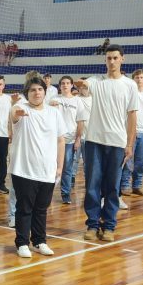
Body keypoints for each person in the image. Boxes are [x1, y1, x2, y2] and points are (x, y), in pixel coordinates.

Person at [75, 45, 138, 241]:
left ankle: (109, 226)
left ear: (122, 59)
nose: (112, 61)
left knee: (112, 186)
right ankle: (92, 225)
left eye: (115, 58)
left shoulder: (130, 85)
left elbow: (132, 116)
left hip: (118, 143)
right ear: (105, 60)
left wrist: (130, 144)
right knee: (93, 185)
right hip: (94, 141)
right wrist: (80, 84)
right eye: (108, 58)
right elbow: (84, 85)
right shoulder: (96, 81)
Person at [10, 79, 65, 257]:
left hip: (47, 170)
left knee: (41, 209)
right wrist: (15, 112)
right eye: (32, 90)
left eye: (40, 89)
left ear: (45, 91)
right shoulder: (22, 108)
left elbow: (60, 140)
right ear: (27, 93)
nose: (37, 93)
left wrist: (60, 166)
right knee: (24, 208)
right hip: (24, 169)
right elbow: (14, 114)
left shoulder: (54, 113)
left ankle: (39, 241)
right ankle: (22, 243)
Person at [52, 76, 87, 204]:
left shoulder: (78, 101)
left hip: (69, 140)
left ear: (72, 85)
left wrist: (78, 139)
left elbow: (80, 122)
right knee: (50, 167)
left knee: (67, 168)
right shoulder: (53, 100)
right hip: (53, 140)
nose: (65, 85)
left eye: (67, 83)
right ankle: (47, 192)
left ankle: (65, 194)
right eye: (63, 83)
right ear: (60, 86)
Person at [122, 70, 143, 197]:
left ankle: (137, 185)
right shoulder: (129, 94)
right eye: (136, 77)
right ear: (133, 79)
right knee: (128, 160)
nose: (139, 79)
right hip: (131, 131)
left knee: (141, 161)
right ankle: (125, 185)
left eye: (141, 77)